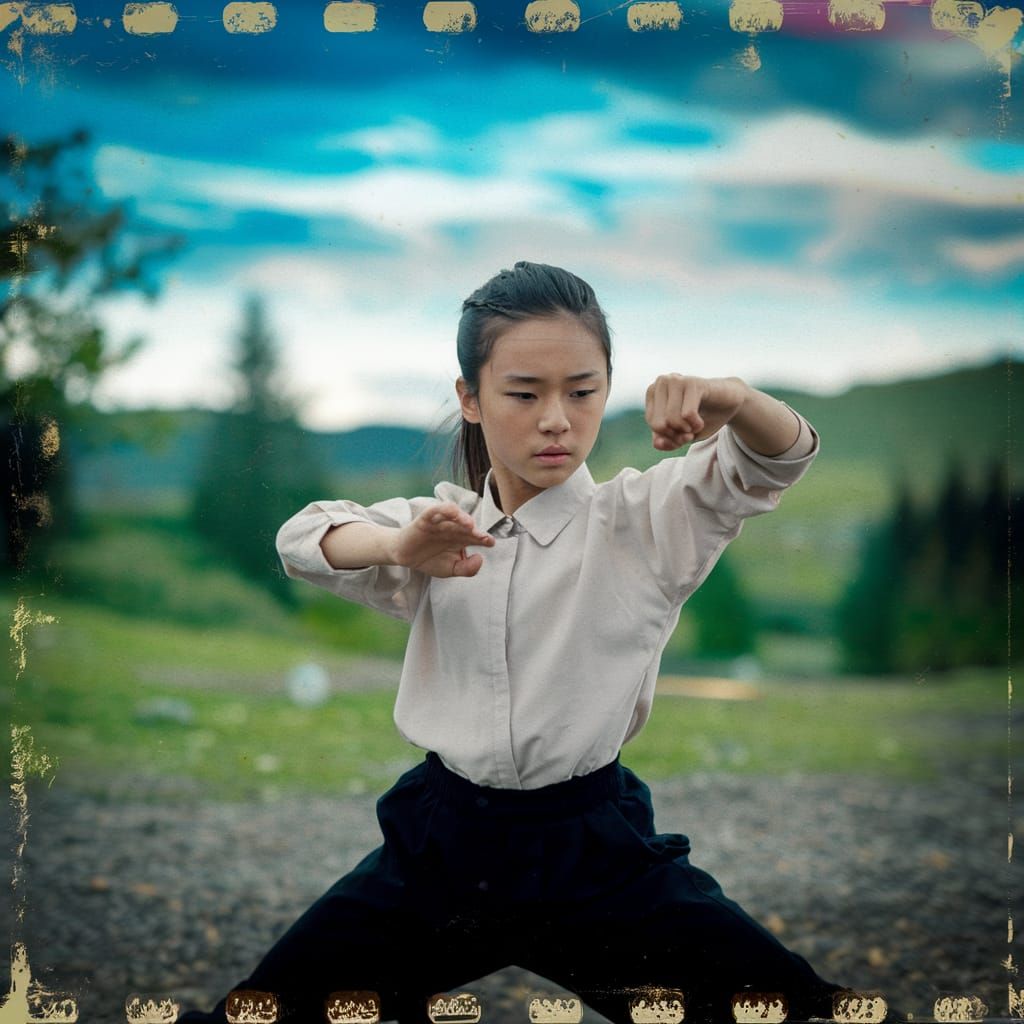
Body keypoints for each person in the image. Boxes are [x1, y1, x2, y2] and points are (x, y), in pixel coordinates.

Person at [180, 261, 843, 1024]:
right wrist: (399, 547)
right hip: (438, 853)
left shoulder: (643, 521)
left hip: (598, 860)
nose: (555, 418)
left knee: (798, 1013)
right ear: (470, 399)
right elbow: (301, 536)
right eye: (524, 393)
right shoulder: (440, 525)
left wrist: (738, 399)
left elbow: (775, 459)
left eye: (582, 391)